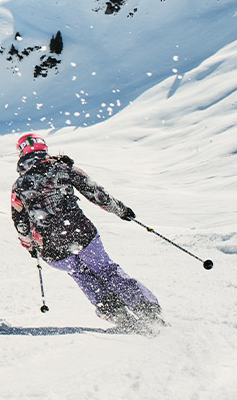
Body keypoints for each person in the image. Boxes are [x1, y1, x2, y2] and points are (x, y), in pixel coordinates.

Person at [10, 132, 162, 330]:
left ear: (21, 154)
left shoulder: (19, 186)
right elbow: (95, 192)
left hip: (50, 247)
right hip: (79, 233)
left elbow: (20, 223)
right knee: (105, 269)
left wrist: (30, 246)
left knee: (81, 274)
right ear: (44, 148)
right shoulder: (62, 168)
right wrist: (121, 210)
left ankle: (115, 313)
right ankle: (146, 309)